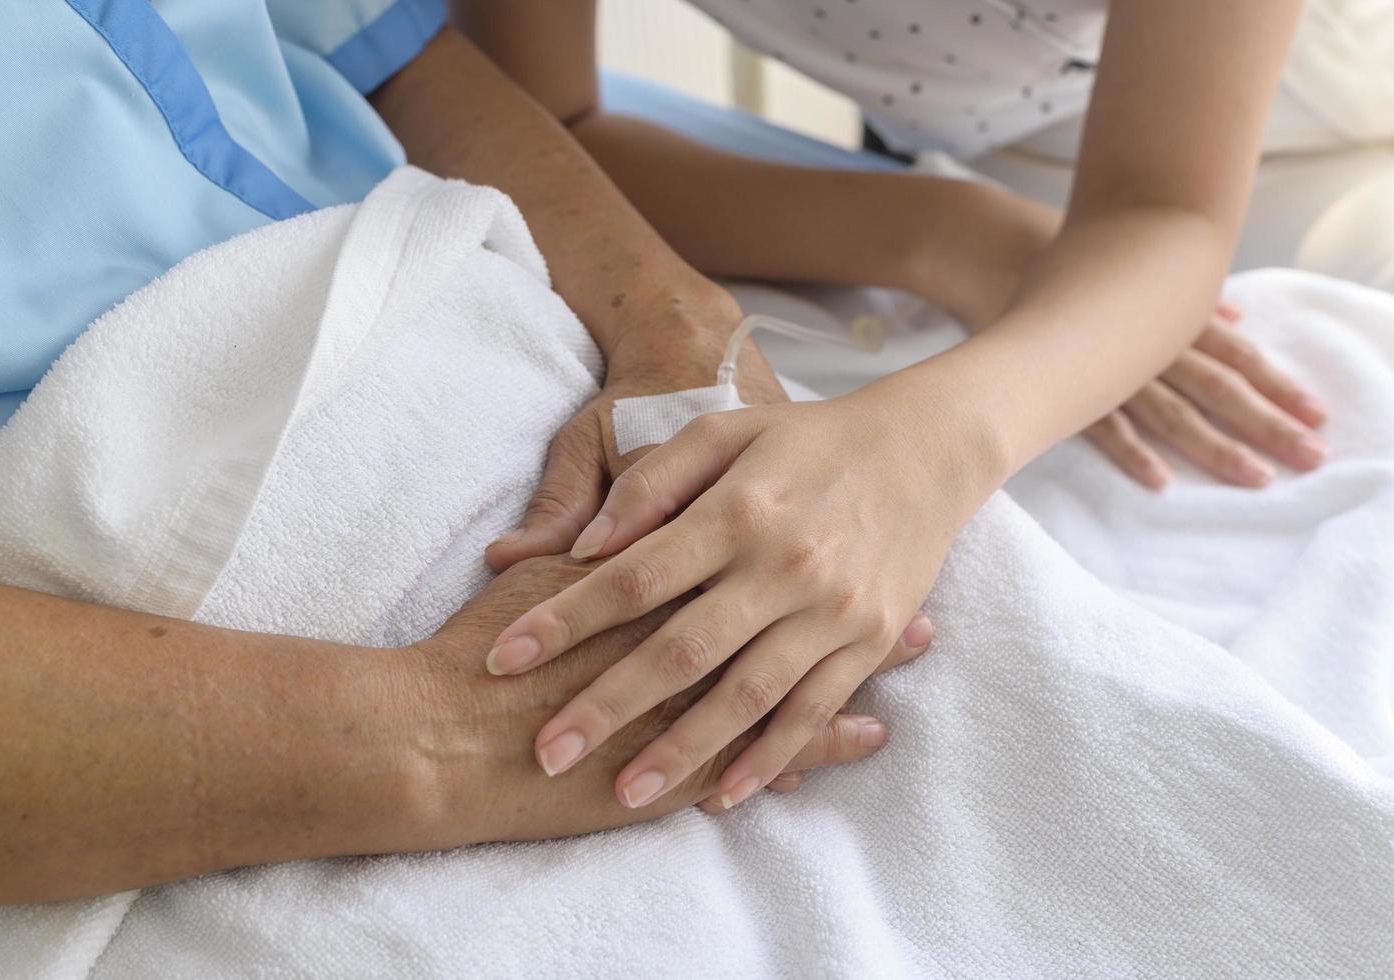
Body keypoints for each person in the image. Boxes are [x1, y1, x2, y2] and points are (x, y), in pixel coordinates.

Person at [0, 2, 902, 905]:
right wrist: (440, 736)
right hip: (127, 712)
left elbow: (394, 56)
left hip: (541, 339)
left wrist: (674, 321)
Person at [454, 0, 1333, 815]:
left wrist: (928, 445)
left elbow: (1163, 206)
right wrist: (943, 232)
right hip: (993, 159)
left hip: (1304, 110)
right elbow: (538, 127)